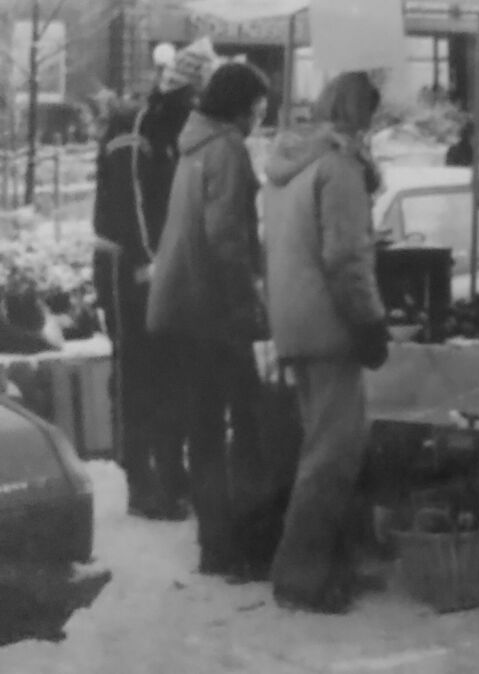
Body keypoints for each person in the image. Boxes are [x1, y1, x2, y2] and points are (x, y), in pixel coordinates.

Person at [261, 71, 390, 614]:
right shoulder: (338, 168)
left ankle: (330, 566)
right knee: (333, 455)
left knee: (322, 447)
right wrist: (370, 323)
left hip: (293, 319)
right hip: (329, 324)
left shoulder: (293, 162)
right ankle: (301, 576)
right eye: (372, 117)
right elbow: (346, 257)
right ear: (358, 115)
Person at [146, 62, 271, 579]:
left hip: (182, 307)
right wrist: (250, 310)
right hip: (214, 311)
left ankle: (214, 546)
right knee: (247, 425)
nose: (264, 112)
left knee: (203, 429)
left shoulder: (194, 145)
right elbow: (227, 241)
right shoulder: (228, 149)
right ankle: (239, 546)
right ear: (243, 105)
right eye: (261, 103)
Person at [92, 44, 214, 520]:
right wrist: (151, 261)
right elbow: (135, 199)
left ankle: (168, 470)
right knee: (137, 370)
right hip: (129, 266)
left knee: (169, 368)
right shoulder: (138, 126)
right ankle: (140, 480)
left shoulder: (175, 124)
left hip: (160, 264)